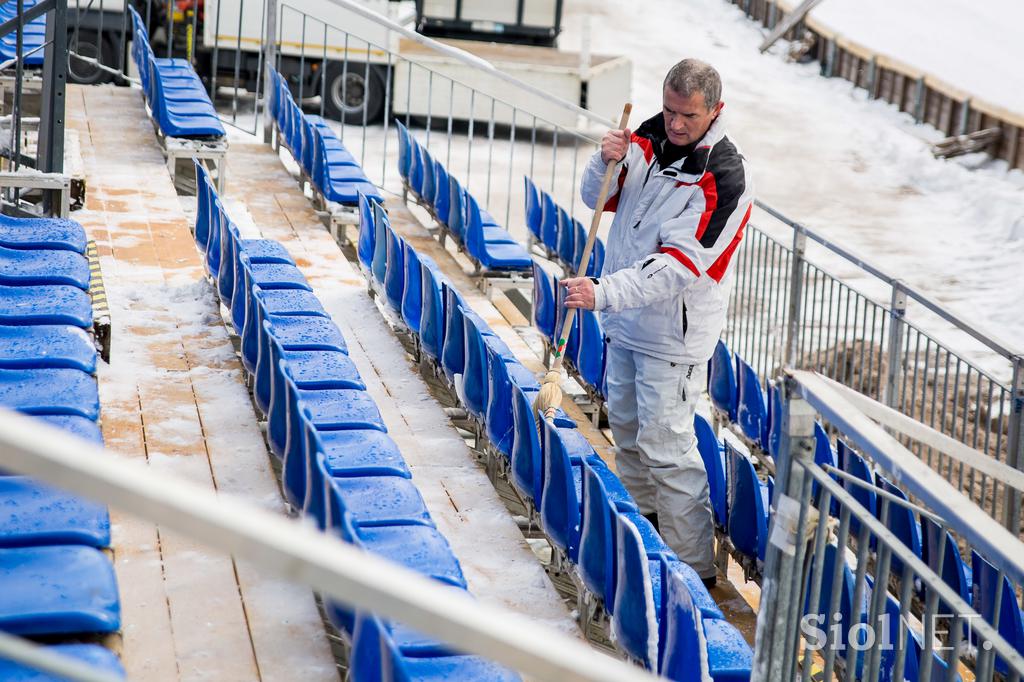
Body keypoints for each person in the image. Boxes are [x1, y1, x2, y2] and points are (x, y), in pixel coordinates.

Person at [563, 58, 753, 586]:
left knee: (668, 450)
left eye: (687, 115)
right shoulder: (647, 135)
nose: (673, 123)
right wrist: (604, 162)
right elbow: (599, 198)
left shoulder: (725, 174)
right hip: (626, 321)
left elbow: (678, 267)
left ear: (715, 110)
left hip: (673, 333)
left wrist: (604, 293)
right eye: (669, 110)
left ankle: (694, 574)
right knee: (625, 432)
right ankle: (644, 537)